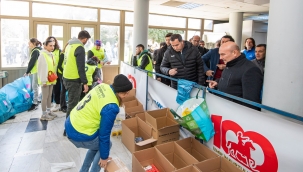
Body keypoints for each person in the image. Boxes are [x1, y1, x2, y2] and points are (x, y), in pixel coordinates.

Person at [65, 74, 133, 171]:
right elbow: (104, 134)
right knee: (106, 144)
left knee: (97, 146)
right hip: (77, 132)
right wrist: (104, 158)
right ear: (118, 92)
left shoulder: (103, 86)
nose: (127, 95)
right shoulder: (111, 106)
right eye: (125, 93)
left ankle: (83, 170)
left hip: (71, 122)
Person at [207, 42, 263, 110]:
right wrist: (218, 83)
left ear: (234, 53)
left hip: (235, 113)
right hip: (224, 108)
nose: (220, 58)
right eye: (220, 54)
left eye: (223, 54)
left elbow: (251, 102)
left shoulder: (251, 70)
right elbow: (233, 82)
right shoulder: (230, 64)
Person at [63, 30, 91, 134]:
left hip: (66, 78)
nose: (86, 42)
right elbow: (81, 68)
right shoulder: (79, 47)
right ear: (84, 39)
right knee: (72, 105)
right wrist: (85, 83)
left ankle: (74, 125)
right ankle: (68, 129)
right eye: (86, 40)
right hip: (73, 80)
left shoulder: (69, 45)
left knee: (73, 103)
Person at [37, 39, 57, 120]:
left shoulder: (51, 54)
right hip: (45, 79)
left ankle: (48, 111)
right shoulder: (42, 55)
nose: (52, 47)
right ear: (45, 46)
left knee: (49, 96)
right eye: (50, 45)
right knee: (45, 97)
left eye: (53, 45)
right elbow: (41, 69)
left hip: (51, 79)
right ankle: (43, 115)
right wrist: (43, 81)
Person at [24, 38, 42, 111]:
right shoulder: (39, 50)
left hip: (36, 71)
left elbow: (32, 62)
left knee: (35, 86)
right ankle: (38, 99)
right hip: (38, 71)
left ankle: (35, 103)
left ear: (34, 43)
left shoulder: (35, 51)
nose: (28, 45)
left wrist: (27, 71)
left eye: (29, 43)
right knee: (37, 86)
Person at [46, 36, 61, 112]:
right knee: (49, 90)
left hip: (56, 74)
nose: (52, 43)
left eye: (53, 41)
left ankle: (57, 103)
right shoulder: (45, 52)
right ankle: (50, 103)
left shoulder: (58, 51)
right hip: (48, 74)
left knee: (56, 89)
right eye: (50, 41)